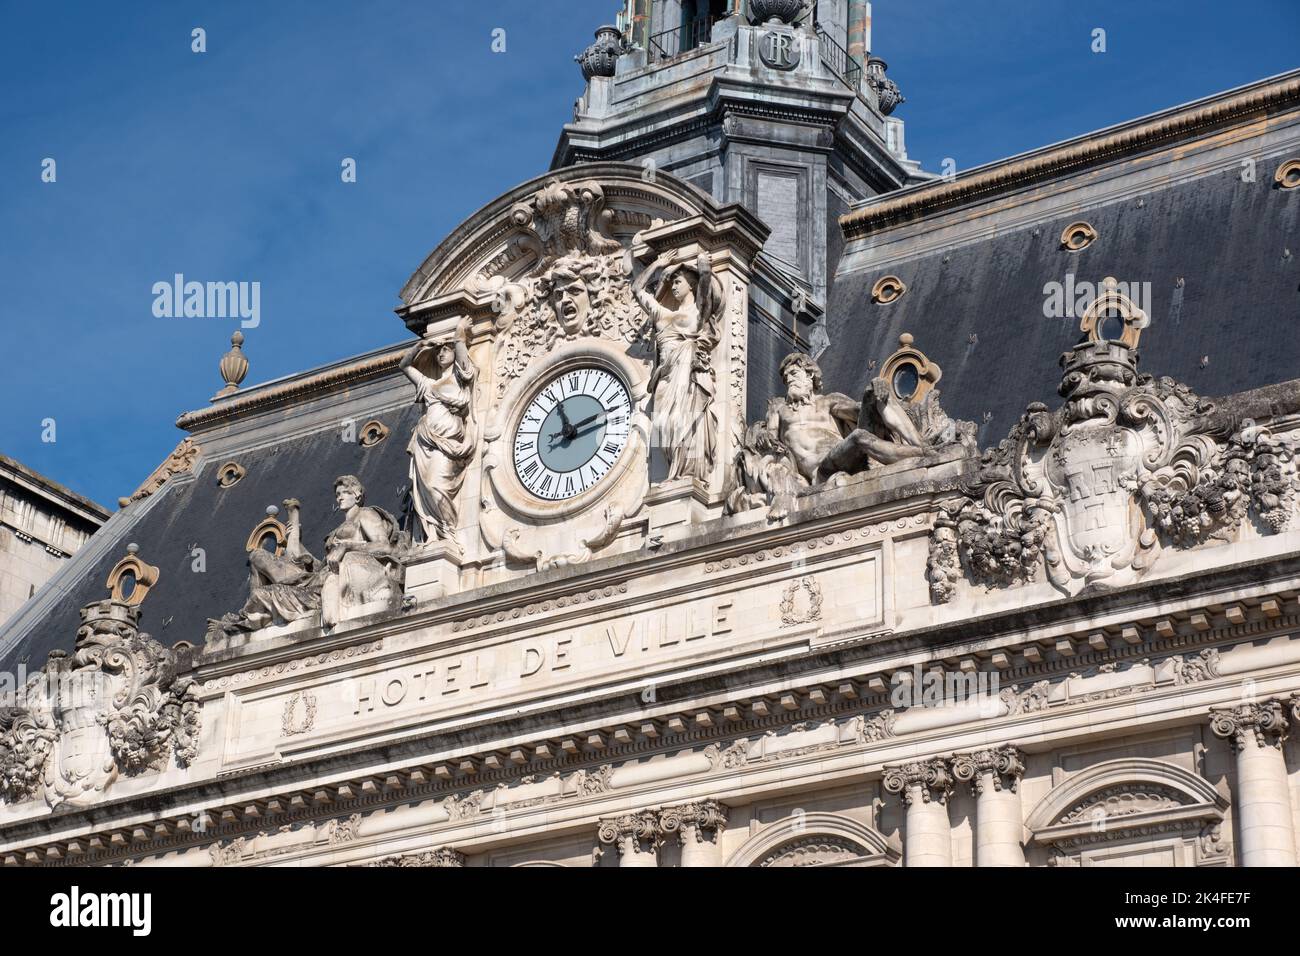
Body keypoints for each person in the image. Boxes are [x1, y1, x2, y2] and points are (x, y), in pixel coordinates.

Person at [633, 252, 722, 482]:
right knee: (664, 425)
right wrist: (657, 264)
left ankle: (684, 473)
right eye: (671, 282)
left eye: (678, 281)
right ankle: (675, 468)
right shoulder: (662, 314)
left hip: (686, 376)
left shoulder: (696, 313)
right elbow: (637, 290)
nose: (673, 286)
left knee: (683, 422)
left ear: (690, 285)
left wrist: (703, 268)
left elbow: (705, 292)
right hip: (665, 378)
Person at [401, 316, 477, 546]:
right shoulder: (428, 384)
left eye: (446, 350)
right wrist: (419, 346)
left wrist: (459, 339)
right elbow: (404, 366)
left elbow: (466, 367)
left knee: (436, 484)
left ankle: (449, 532)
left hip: (449, 443)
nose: (441, 354)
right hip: (425, 443)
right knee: (425, 489)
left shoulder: (458, 379)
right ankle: (436, 534)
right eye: (439, 351)